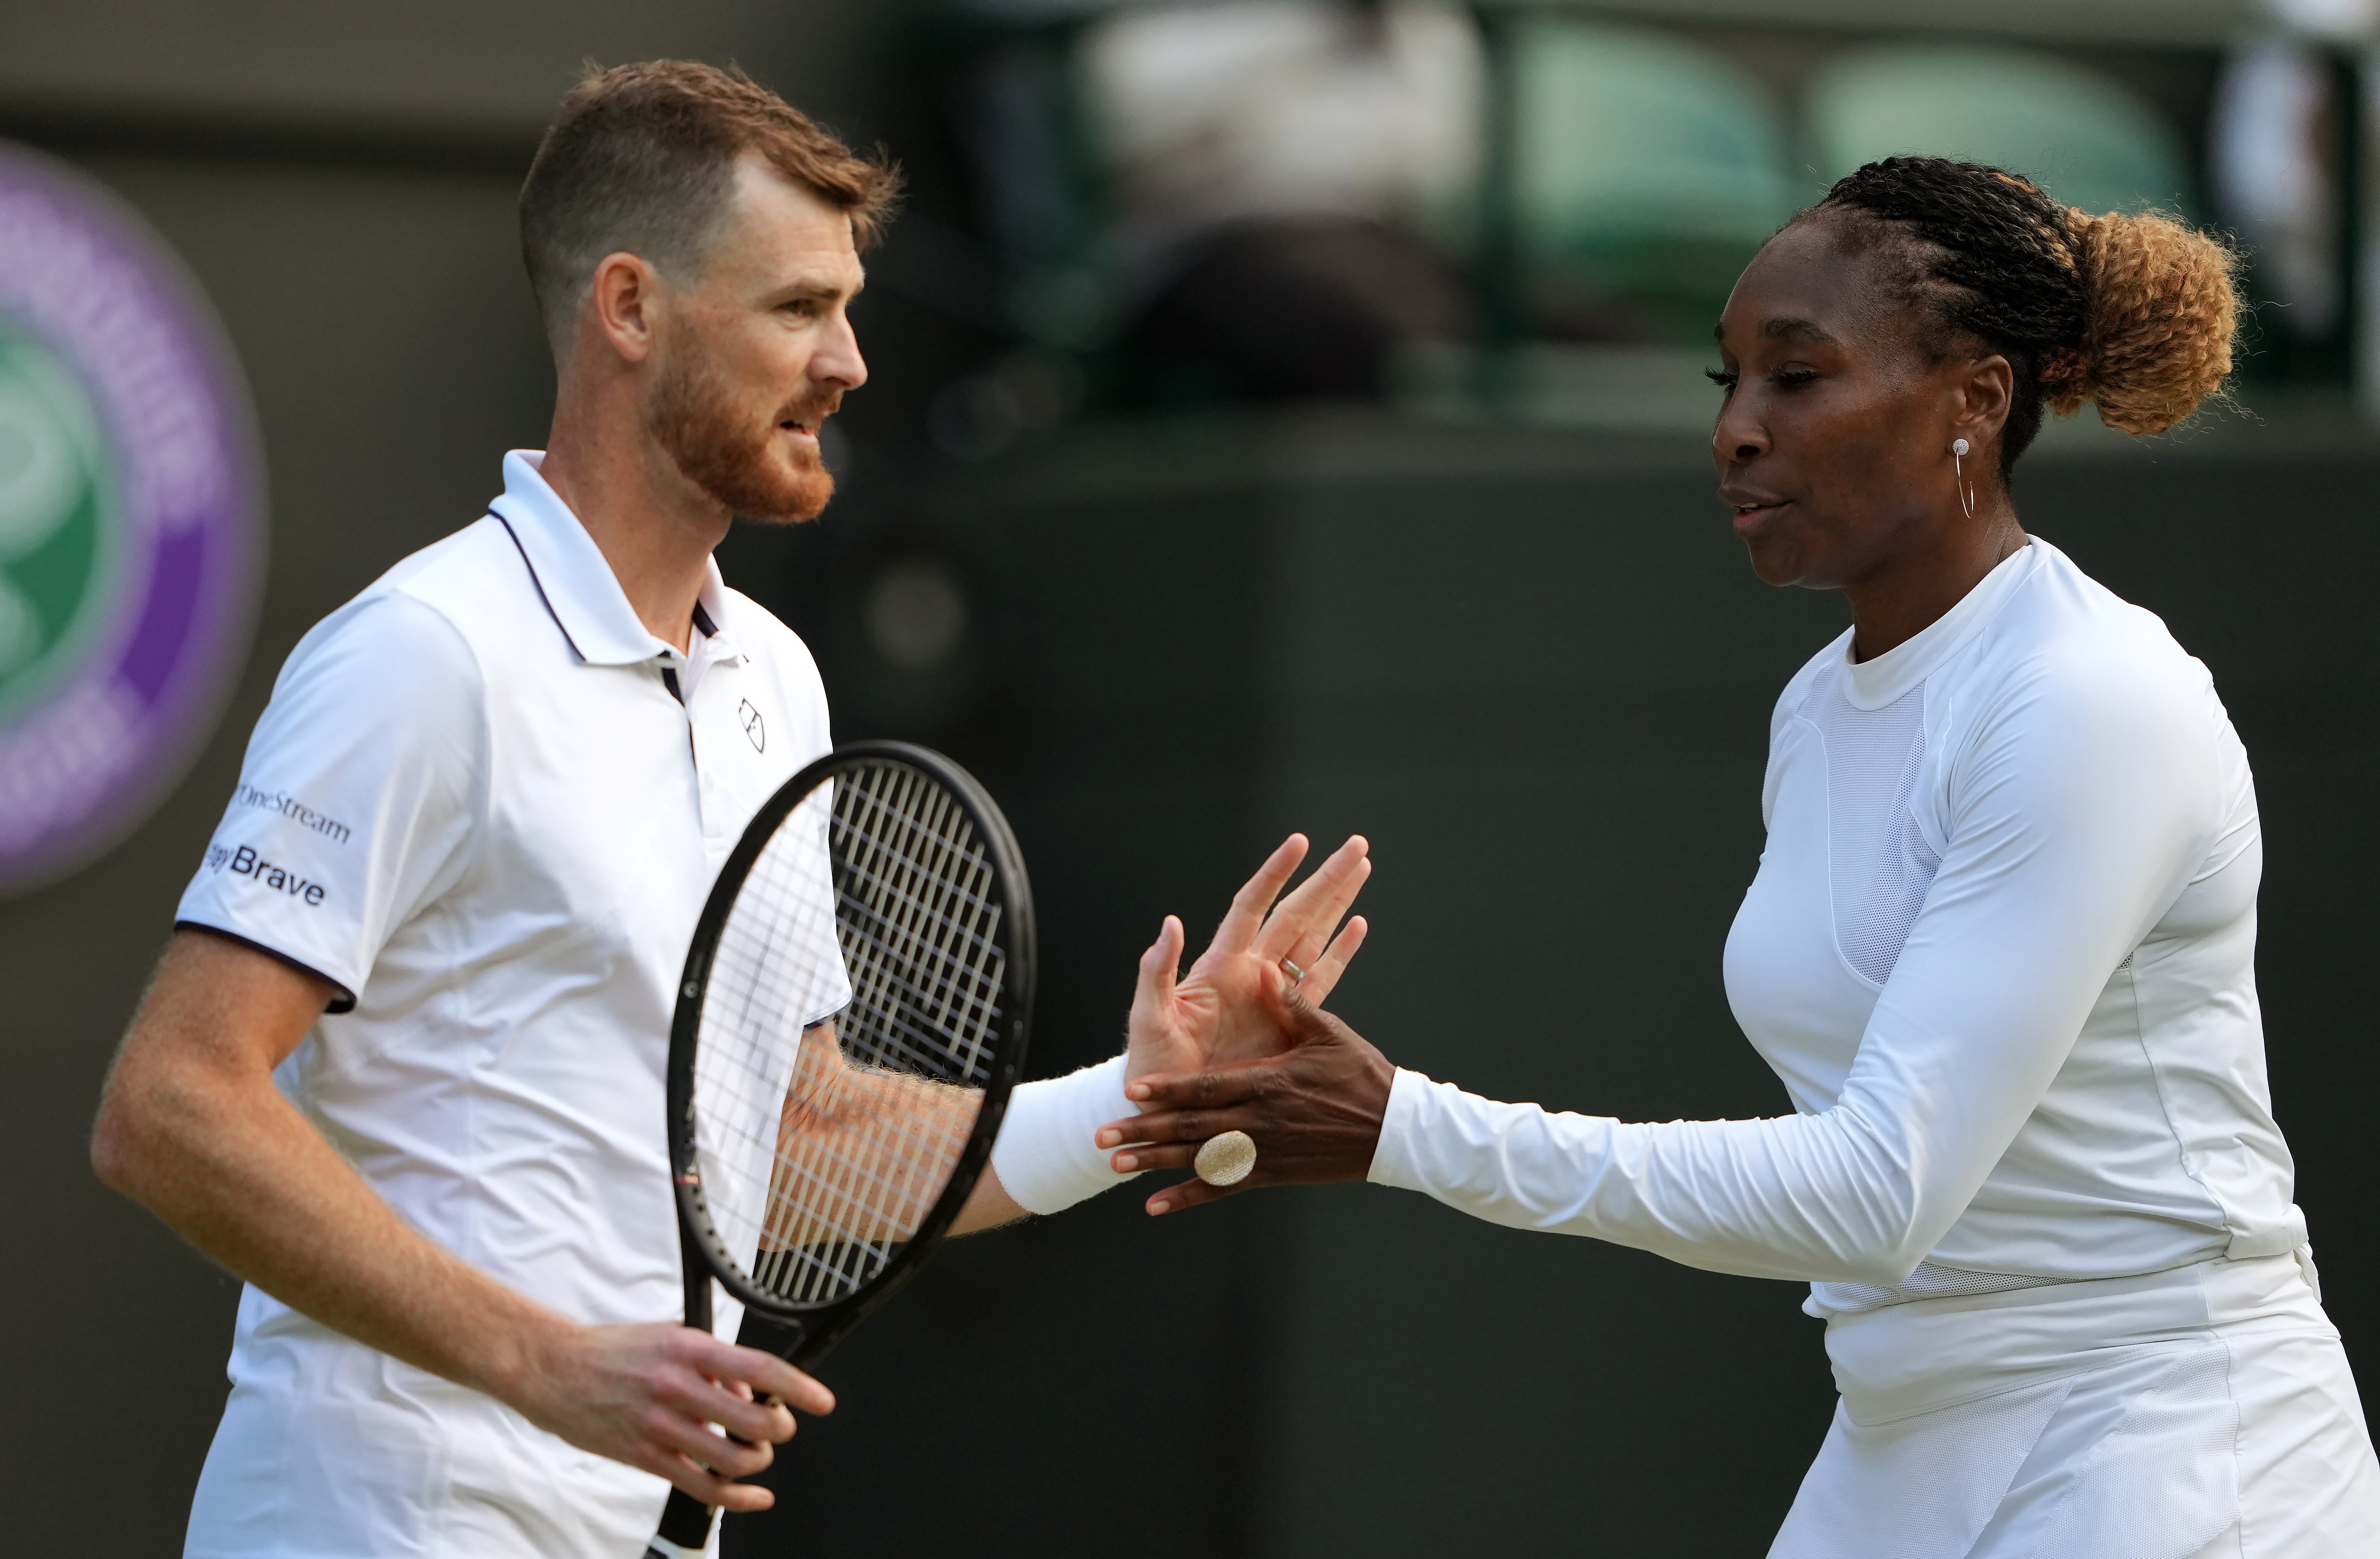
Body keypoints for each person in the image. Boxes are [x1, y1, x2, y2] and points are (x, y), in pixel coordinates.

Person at [86, 61, 1366, 1559]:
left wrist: (1131, 1101)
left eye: (850, 307)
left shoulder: (774, 679)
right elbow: (171, 1106)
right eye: (795, 309)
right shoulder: (424, 655)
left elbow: (794, 1136)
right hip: (377, 1518)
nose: (851, 362)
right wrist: (547, 1362)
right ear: (630, 308)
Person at [1103, 156, 2380, 1554]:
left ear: (1977, 400)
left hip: (2177, 1445)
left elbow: (1879, 1192)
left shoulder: (2089, 697)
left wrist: (1408, 1126)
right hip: (1900, 1433)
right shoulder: (1819, 705)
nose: (1736, 432)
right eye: (1727, 383)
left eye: (1798, 376)